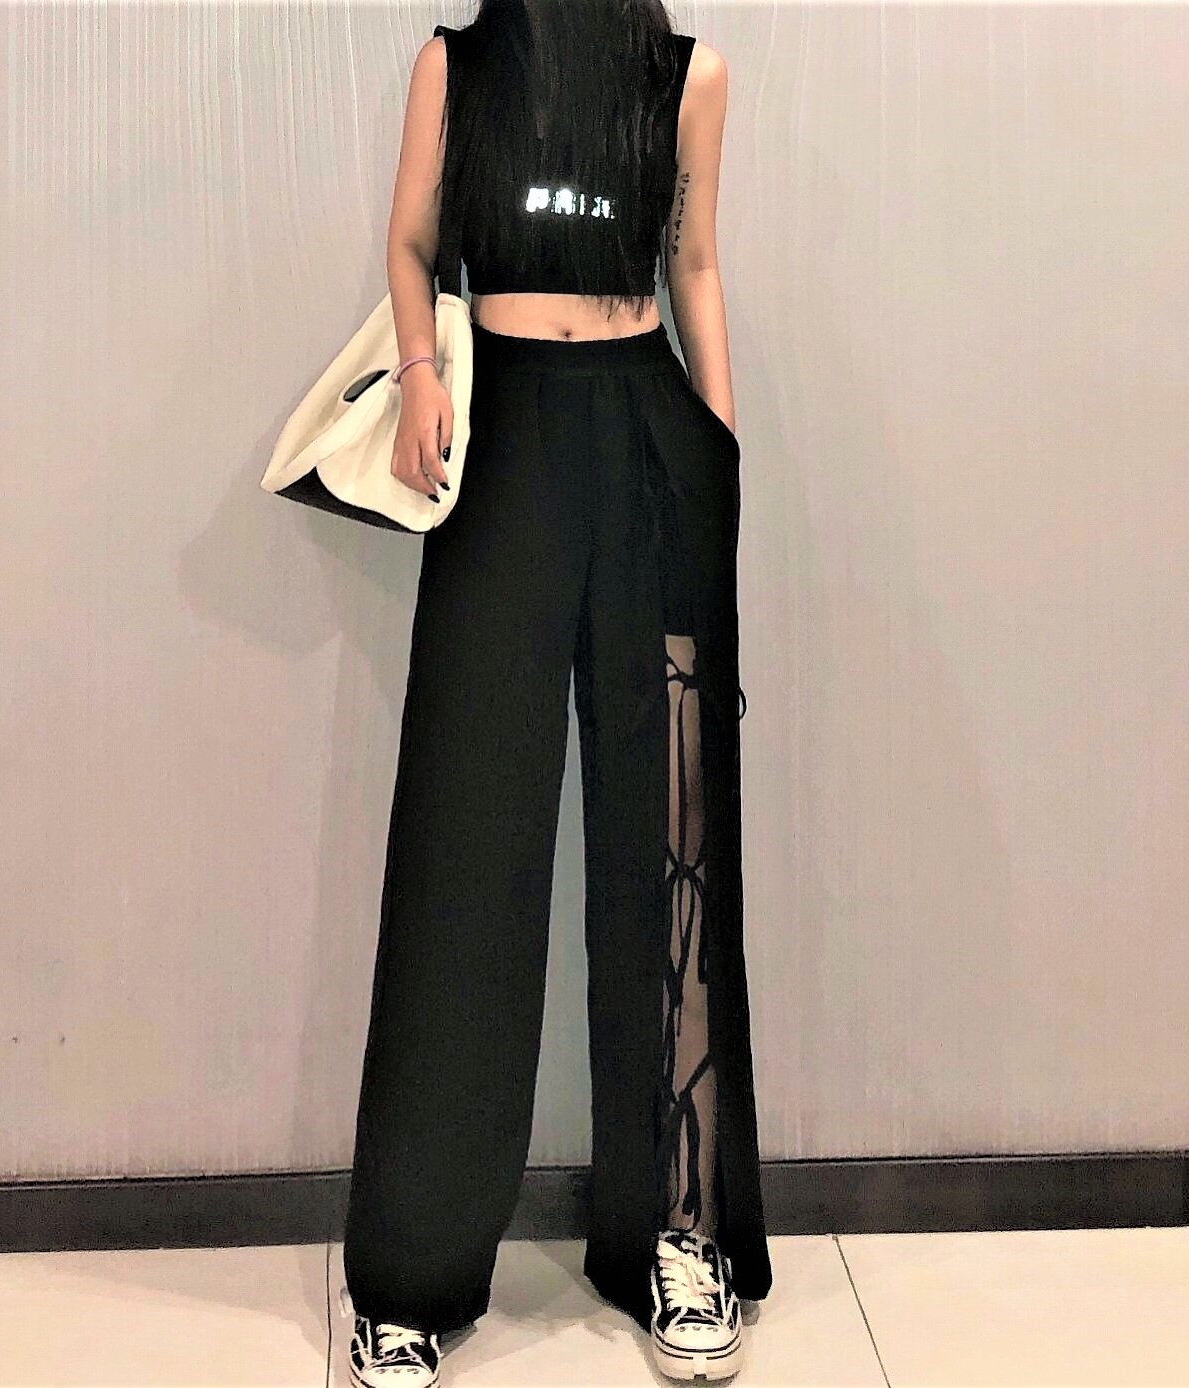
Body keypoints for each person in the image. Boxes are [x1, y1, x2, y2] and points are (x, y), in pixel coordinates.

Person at [339, 2, 772, 1382]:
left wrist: (718, 444)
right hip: (502, 442)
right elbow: (412, 247)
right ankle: (411, 1274)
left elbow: (693, 264)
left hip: (649, 442)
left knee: (670, 842)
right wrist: (419, 372)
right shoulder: (458, 66)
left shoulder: (687, 75)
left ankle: (678, 1234)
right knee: (470, 843)